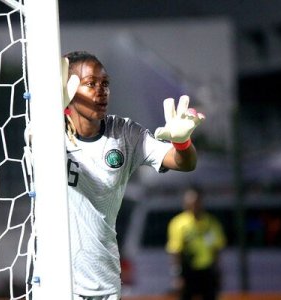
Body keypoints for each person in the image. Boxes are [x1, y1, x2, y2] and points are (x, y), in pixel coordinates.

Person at [60, 50, 205, 300]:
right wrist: (50, 114)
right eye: (90, 84)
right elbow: (33, 139)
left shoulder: (125, 134)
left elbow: (184, 163)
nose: (101, 90)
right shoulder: (45, 132)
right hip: (55, 280)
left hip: (103, 284)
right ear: (68, 89)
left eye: (105, 84)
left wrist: (182, 143)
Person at [166, 187, 226, 300]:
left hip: (207, 271)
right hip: (188, 271)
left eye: (197, 202)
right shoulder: (178, 223)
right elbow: (175, 251)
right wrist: (177, 275)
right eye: (191, 203)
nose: (194, 206)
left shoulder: (211, 222)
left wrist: (218, 272)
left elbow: (216, 249)